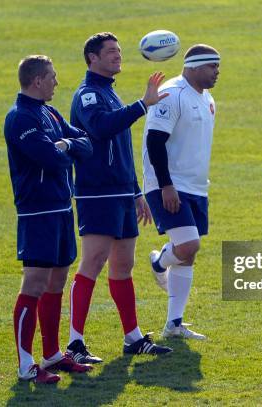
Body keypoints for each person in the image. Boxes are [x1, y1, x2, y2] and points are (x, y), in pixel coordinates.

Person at [66, 32, 172, 363]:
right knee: (93, 262)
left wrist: (136, 191)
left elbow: (122, 149)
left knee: (123, 265)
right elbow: (100, 128)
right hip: (97, 194)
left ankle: (133, 338)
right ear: (92, 59)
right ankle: (75, 344)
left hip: (122, 193)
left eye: (119, 51)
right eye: (111, 52)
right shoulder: (87, 96)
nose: (118, 55)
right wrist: (142, 105)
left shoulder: (109, 94)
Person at [4, 55, 94, 383]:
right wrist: (65, 149)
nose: (57, 82)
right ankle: (26, 365)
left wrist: (66, 142)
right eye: (52, 77)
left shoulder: (50, 112)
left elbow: (86, 144)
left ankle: (53, 353)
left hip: (60, 209)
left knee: (56, 282)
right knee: (35, 284)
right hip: (37, 212)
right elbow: (50, 159)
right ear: (37, 80)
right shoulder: (20, 119)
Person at [142, 44, 220, 340]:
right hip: (169, 185)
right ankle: (158, 262)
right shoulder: (172, 93)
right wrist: (166, 185)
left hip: (196, 186)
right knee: (188, 246)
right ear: (195, 66)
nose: (217, 73)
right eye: (212, 67)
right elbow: (155, 141)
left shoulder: (207, 98)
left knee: (188, 255)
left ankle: (174, 324)